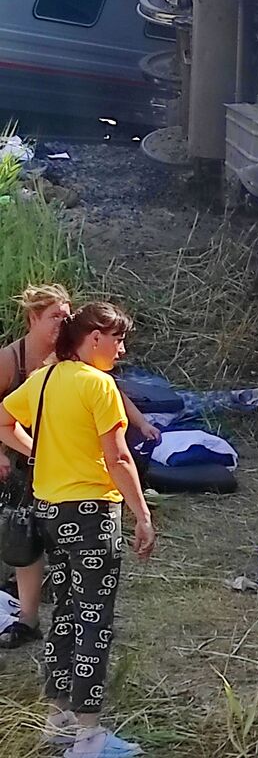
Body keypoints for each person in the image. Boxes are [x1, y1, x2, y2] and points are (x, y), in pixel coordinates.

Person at [0, 301, 156, 758]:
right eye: (118, 339)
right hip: (90, 515)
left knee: (64, 612)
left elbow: (4, 419)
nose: (121, 350)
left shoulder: (45, 379)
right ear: (94, 339)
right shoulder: (98, 385)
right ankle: (89, 736)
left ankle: (60, 719)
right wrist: (142, 514)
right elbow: (119, 458)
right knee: (93, 619)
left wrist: (36, 452)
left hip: (50, 512)